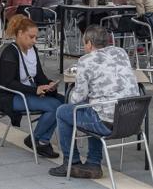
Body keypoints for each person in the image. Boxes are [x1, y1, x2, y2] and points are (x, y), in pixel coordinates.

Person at [49, 25, 139, 179]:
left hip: (108, 124)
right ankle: (93, 163)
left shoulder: (86, 60)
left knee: (63, 111)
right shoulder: (121, 52)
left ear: (89, 43)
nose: (84, 46)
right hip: (132, 120)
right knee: (95, 107)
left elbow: (76, 99)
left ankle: (71, 162)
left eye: (84, 43)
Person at [0, 15, 63, 158]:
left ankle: (41, 140)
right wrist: (35, 90)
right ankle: (37, 139)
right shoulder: (10, 53)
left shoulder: (32, 50)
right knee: (55, 106)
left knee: (63, 103)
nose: (34, 41)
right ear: (20, 34)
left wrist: (48, 84)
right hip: (11, 96)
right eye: (31, 37)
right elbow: (8, 83)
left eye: (36, 38)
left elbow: (39, 75)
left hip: (27, 91)